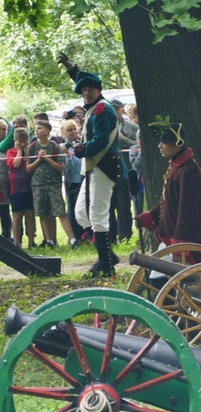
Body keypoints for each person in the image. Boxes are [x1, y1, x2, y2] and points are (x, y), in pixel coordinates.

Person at [69, 70, 123, 277]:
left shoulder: (102, 110)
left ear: (98, 90)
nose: (86, 92)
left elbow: (100, 140)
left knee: (97, 214)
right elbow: (84, 79)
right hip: (94, 166)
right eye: (83, 89)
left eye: (90, 89)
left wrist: (82, 149)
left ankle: (106, 263)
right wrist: (72, 70)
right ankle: (108, 254)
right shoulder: (95, 107)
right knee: (82, 213)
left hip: (104, 165)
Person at [135, 121, 201, 262]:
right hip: (171, 233)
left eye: (163, 142)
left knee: (160, 277)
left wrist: (180, 242)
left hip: (187, 237)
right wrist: (151, 216)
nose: (159, 146)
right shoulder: (177, 167)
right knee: (158, 276)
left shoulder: (189, 171)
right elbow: (168, 199)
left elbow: (187, 210)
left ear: (176, 144)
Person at [26, 120, 77, 249]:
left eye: (40, 128)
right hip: (38, 184)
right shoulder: (31, 147)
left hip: (54, 184)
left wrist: (47, 157)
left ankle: (72, 239)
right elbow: (28, 168)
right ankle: (50, 240)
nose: (37, 131)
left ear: (47, 132)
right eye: (36, 128)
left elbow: (60, 168)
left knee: (60, 212)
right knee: (43, 213)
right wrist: (39, 159)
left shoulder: (55, 146)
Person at [108, 99, 136, 243]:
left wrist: (123, 138)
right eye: (111, 109)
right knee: (109, 206)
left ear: (122, 110)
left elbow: (137, 145)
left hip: (126, 170)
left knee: (124, 205)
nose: (114, 111)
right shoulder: (105, 126)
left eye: (116, 109)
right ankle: (111, 236)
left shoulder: (132, 127)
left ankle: (125, 235)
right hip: (109, 171)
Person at [6, 128, 36, 248]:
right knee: (17, 215)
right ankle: (16, 242)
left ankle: (31, 242)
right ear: (15, 140)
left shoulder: (30, 151)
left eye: (25, 140)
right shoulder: (10, 152)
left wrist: (26, 150)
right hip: (16, 188)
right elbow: (16, 164)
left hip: (29, 187)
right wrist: (19, 151)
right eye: (21, 140)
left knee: (30, 214)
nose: (24, 143)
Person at [59, 119, 85, 242]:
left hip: (83, 179)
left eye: (74, 129)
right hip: (72, 181)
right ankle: (77, 235)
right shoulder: (62, 148)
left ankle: (87, 234)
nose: (73, 132)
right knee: (74, 208)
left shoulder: (81, 144)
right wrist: (68, 158)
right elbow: (68, 167)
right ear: (64, 132)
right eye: (69, 130)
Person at [0, 119, 10, 239]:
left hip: (6, 184)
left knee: (5, 210)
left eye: (4, 129)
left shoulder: (9, 146)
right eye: (0, 129)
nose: (2, 132)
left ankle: (7, 234)